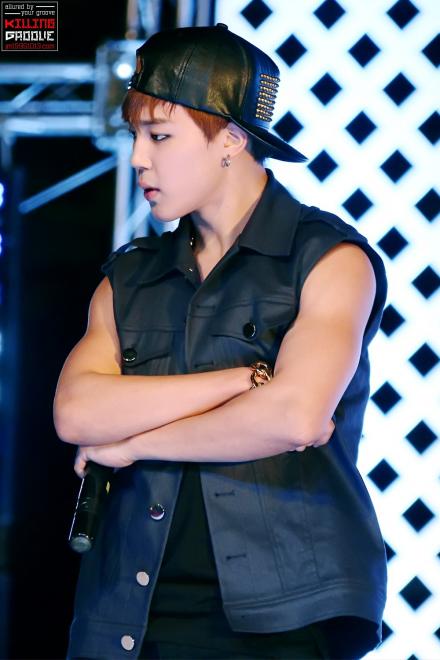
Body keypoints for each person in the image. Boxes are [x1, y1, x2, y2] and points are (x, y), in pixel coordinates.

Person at [54, 23, 387, 660]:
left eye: (160, 136)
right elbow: (76, 411)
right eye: (135, 136)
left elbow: (295, 417)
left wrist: (133, 443)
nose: (138, 158)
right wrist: (240, 381)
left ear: (231, 139)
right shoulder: (130, 278)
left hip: (286, 614)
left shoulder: (328, 259)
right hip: (129, 612)